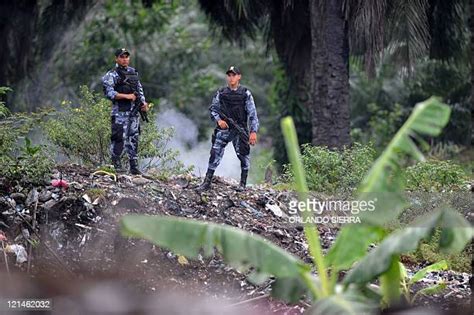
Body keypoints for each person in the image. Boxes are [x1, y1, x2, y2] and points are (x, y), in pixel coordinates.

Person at [197, 66, 259, 191]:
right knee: (215, 154)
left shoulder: (245, 93)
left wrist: (253, 131)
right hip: (224, 129)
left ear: (239, 77)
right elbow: (213, 109)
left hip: (240, 128)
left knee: (243, 155)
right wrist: (219, 121)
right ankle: (207, 183)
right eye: (229, 75)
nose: (231, 78)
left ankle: (242, 184)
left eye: (234, 75)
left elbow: (252, 114)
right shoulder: (221, 93)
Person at [102, 48, 149, 175]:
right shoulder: (112, 75)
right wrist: (126, 96)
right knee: (118, 138)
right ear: (116, 58)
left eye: (126, 57)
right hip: (120, 112)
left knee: (133, 138)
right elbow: (109, 93)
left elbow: (139, 90)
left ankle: (134, 166)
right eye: (122, 57)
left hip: (133, 111)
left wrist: (143, 104)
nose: (125, 59)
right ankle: (116, 164)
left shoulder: (133, 73)